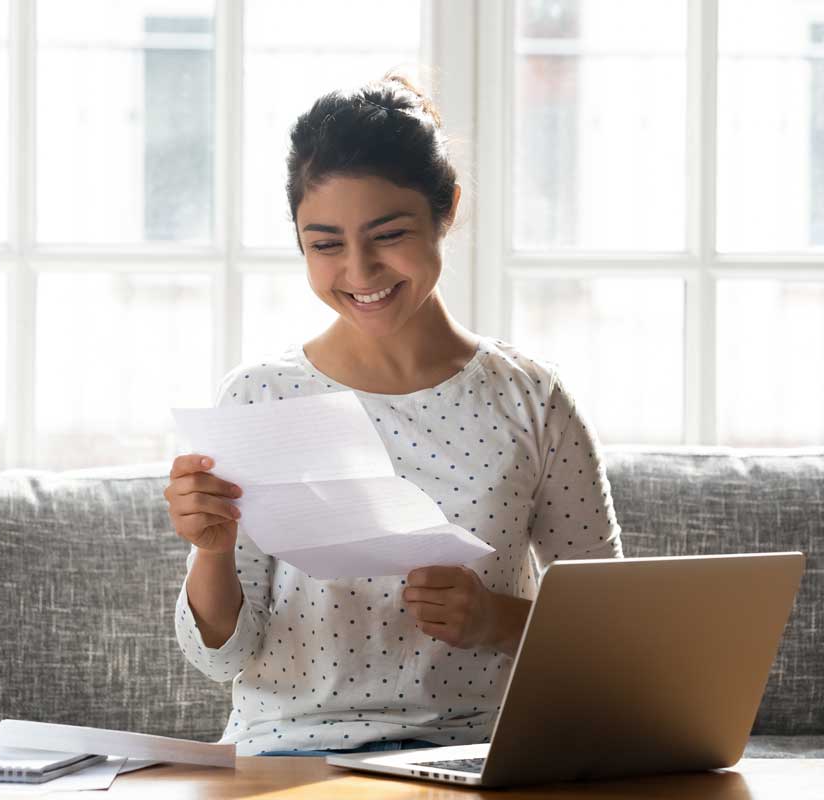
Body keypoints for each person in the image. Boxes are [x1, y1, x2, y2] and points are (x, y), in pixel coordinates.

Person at [168, 72, 623, 757]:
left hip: (474, 754)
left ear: (447, 211)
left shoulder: (532, 400)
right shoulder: (260, 396)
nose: (360, 271)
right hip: (292, 754)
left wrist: (498, 621)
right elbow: (221, 659)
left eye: (388, 234)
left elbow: (614, 640)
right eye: (325, 244)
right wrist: (212, 547)